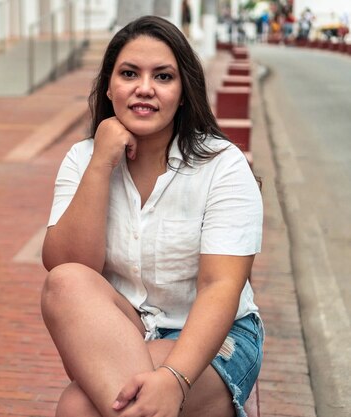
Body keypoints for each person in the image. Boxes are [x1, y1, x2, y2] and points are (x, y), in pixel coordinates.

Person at [41, 15, 264, 417]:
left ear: (183, 91)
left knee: (77, 406)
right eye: (129, 74)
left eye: (162, 77)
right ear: (109, 86)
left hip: (217, 338)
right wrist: (100, 164)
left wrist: (174, 379)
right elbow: (68, 268)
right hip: (128, 326)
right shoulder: (82, 158)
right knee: (66, 281)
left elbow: (220, 288)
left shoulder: (222, 165)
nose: (144, 88)